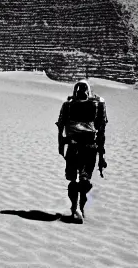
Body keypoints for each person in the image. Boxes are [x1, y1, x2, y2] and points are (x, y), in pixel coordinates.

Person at [56, 79, 108, 223]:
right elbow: (101, 131)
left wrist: (61, 147)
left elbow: (61, 129)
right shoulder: (94, 105)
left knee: (79, 180)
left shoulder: (70, 106)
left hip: (80, 148)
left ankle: (77, 209)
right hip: (84, 148)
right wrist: (101, 155)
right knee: (79, 179)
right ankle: (78, 209)